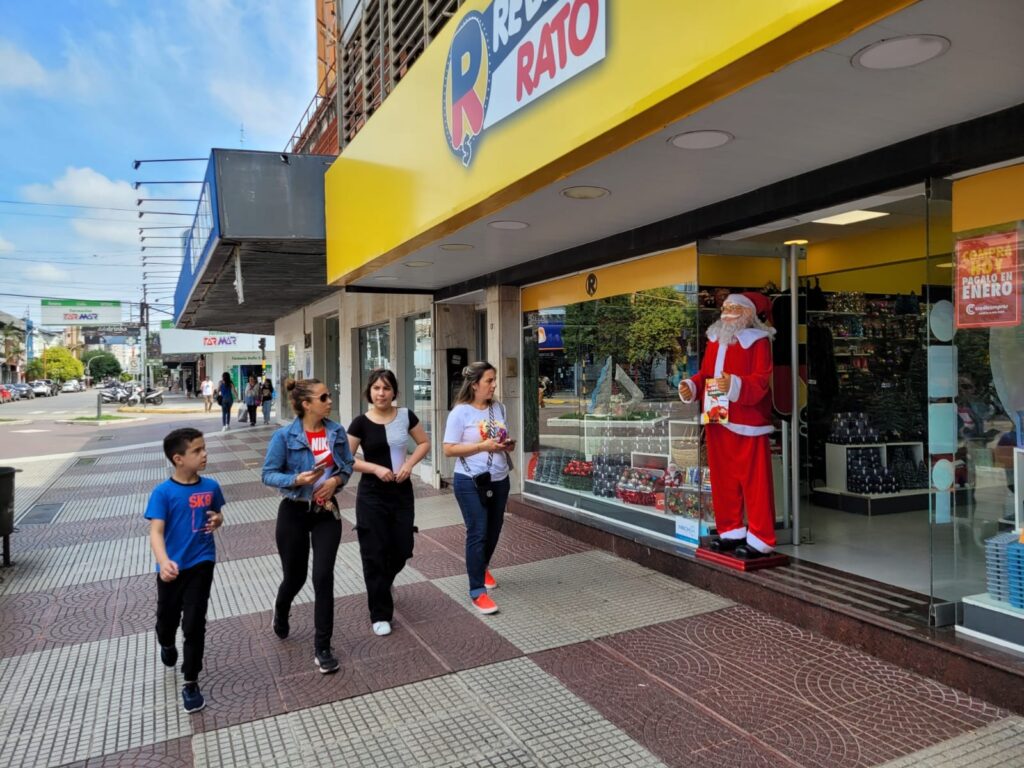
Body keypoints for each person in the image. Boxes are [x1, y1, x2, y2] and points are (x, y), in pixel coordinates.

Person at [261, 378, 354, 674]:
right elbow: (268, 474)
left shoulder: (336, 431)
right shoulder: (284, 436)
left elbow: (347, 466)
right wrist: (296, 479)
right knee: (295, 577)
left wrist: (335, 481)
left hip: (326, 512)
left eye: (329, 395)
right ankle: (281, 608)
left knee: (323, 576)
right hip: (294, 511)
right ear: (306, 404)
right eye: (323, 397)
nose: (330, 400)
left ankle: (322, 646)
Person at [679, 292, 777, 558]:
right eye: (725, 306)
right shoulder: (715, 339)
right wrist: (691, 386)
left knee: (755, 481)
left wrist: (733, 384)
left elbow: (762, 380)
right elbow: (705, 374)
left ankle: (761, 538)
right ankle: (731, 531)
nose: (727, 311)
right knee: (723, 478)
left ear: (748, 313)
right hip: (716, 412)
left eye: (734, 307)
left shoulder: (758, 341)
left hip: (746, 417)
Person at [145, 427, 225, 714]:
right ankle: (166, 643)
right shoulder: (163, 493)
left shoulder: (211, 487)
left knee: (194, 622)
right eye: (197, 450)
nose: (204, 454)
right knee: (167, 619)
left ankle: (191, 680)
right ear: (178, 458)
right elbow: (156, 531)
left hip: (202, 561)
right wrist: (163, 561)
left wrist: (218, 520)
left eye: (204, 449)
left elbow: (218, 514)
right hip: (172, 568)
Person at [347, 369, 430, 636]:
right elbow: (346, 459)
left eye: (386, 388)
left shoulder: (406, 415)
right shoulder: (360, 423)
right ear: (369, 391)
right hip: (371, 494)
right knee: (374, 552)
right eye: (376, 388)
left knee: (403, 547)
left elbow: (424, 443)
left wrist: (409, 464)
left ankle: (383, 582)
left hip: (401, 492)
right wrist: (374, 468)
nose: (381, 393)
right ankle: (380, 613)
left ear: (394, 391)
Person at [443, 361, 515, 615]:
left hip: (499, 477)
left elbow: (501, 439)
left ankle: (481, 567)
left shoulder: (498, 408)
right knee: (478, 531)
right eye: (489, 381)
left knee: (494, 529)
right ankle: (477, 591)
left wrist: (507, 445)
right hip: (469, 480)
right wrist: (482, 447)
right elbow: (448, 449)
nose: (494, 385)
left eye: (494, 380)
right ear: (474, 385)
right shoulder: (460, 413)